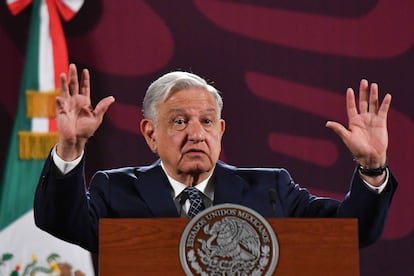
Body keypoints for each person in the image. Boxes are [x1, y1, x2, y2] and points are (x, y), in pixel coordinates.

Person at [34, 64, 397, 253]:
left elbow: (351, 233)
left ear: (220, 131)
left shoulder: (271, 189)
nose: (196, 133)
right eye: (179, 121)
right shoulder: (116, 190)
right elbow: (60, 221)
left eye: (207, 121)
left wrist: (372, 168)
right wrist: (69, 148)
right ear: (150, 134)